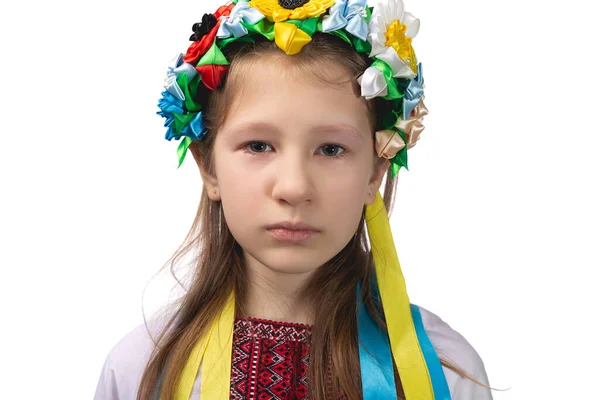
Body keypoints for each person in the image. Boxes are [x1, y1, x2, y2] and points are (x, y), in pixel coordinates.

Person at [94, 0, 493, 399]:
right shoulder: (143, 369)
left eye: (331, 150)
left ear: (375, 170)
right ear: (208, 166)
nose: (294, 187)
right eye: (259, 145)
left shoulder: (442, 373)